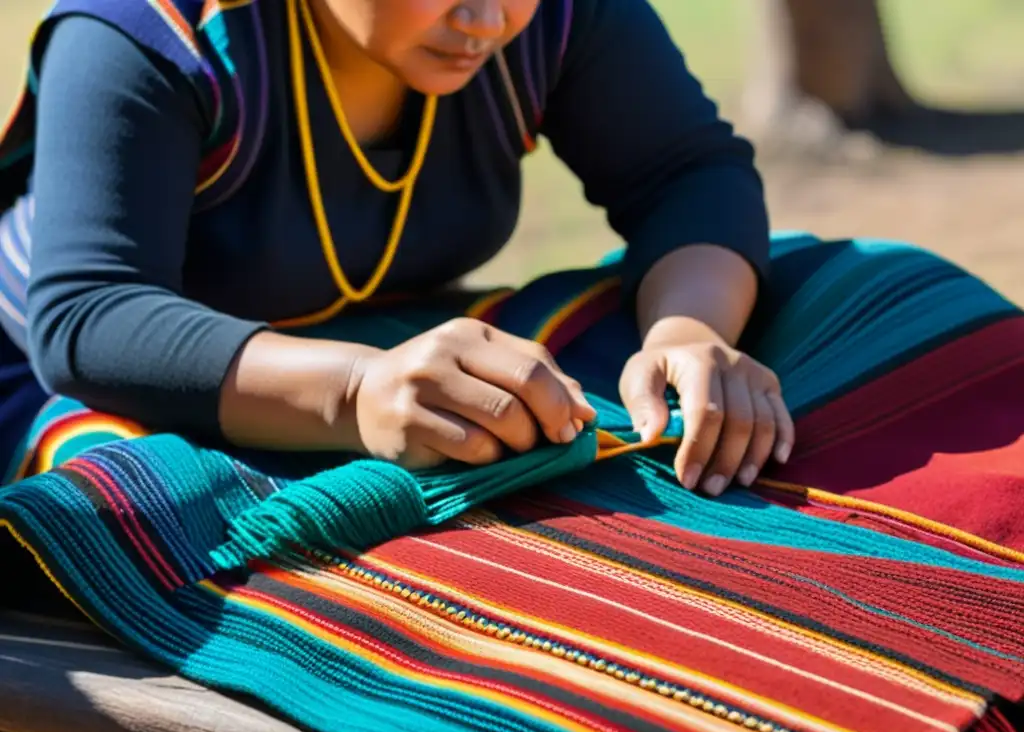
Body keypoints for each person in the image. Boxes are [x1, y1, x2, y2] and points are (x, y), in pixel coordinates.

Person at [0, 0, 793, 500]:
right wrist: (355, 393)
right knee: (153, 512)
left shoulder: (552, 15)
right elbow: (90, 313)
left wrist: (690, 333)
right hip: (91, 387)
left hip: (383, 337)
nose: (485, 19)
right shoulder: (149, 31)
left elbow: (686, 172)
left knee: (851, 285)